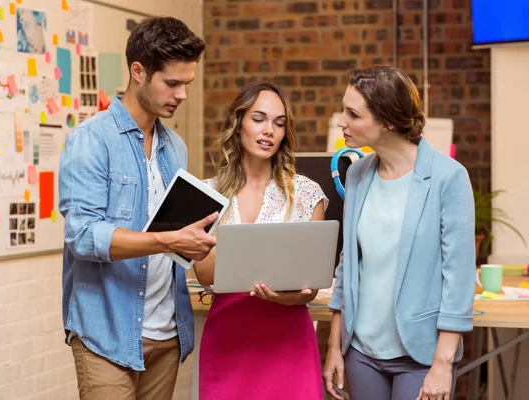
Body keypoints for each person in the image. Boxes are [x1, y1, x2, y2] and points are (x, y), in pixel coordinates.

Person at [59, 17, 217, 400]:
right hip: (108, 333)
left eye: (188, 85)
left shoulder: (175, 146)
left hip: (167, 333)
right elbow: (82, 235)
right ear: (138, 71)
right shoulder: (91, 140)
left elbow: (179, 230)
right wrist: (165, 240)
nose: (181, 95)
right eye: (172, 83)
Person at [322, 65, 475, 400]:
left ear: (386, 120)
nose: (341, 122)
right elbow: (348, 267)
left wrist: (443, 364)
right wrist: (335, 347)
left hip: (419, 357)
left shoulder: (448, 177)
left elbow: (459, 278)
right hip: (361, 352)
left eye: (352, 113)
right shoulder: (358, 175)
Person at [193, 81, 328, 400]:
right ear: (238, 123)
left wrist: (291, 297)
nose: (269, 130)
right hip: (228, 342)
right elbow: (204, 273)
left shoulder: (306, 194)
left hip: (288, 342)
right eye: (259, 119)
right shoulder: (206, 192)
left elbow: (312, 286)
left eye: (279, 123)